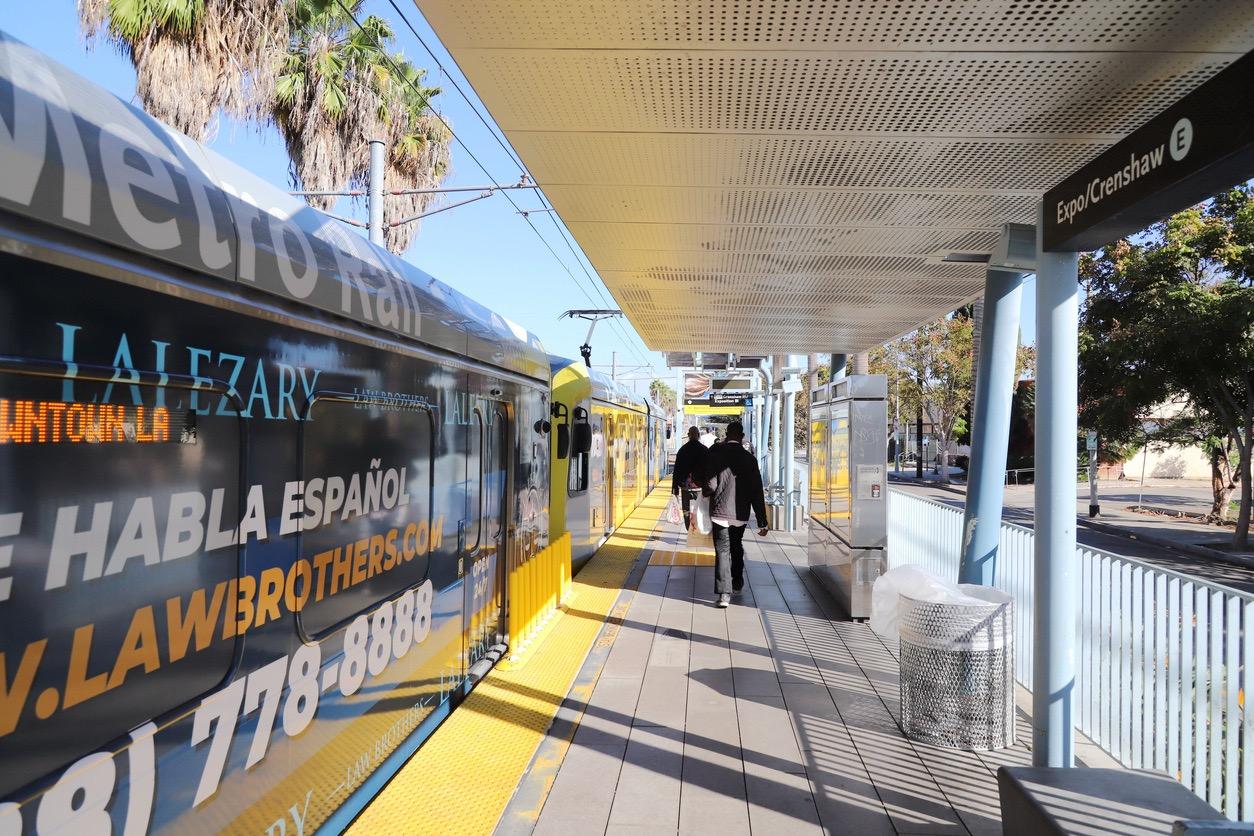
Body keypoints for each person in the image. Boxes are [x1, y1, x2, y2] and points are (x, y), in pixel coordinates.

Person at [702, 421, 768, 608]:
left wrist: (706, 493)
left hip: (720, 512)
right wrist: (762, 521)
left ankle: (724, 594)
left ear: (726, 435)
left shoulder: (716, 455)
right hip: (740, 514)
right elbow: (757, 492)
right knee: (736, 546)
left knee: (722, 550)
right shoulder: (750, 459)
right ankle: (737, 583)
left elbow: (711, 486)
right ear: (742, 437)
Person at [671, 426, 709, 529]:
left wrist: (675, 488)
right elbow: (709, 469)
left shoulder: (682, 450)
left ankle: (689, 529)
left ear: (688, 436)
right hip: (699, 487)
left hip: (685, 487)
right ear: (698, 435)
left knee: (686, 510)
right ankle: (697, 529)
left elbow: (676, 470)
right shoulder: (704, 450)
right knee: (700, 510)